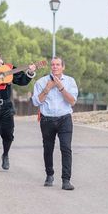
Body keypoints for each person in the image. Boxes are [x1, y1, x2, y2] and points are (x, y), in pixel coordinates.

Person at [31, 56, 78, 190]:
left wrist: (61, 88)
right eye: (53, 65)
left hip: (65, 119)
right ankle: (49, 175)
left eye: (58, 65)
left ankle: (66, 180)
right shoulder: (41, 82)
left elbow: (72, 101)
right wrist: (47, 88)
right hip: (47, 119)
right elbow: (36, 102)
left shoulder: (70, 81)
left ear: (63, 67)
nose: (55, 67)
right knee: (48, 148)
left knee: (66, 148)